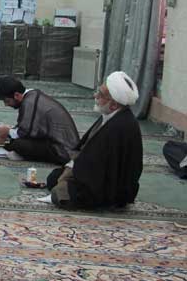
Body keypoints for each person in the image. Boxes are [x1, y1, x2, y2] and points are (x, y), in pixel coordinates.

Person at [47, 71, 143, 209]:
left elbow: (99, 168)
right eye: (98, 91)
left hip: (108, 189)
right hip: (96, 177)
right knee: (53, 178)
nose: (95, 96)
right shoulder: (111, 115)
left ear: (114, 105)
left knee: (59, 193)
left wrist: (71, 172)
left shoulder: (119, 127)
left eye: (101, 95)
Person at [0, 76, 79, 165]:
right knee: (15, 142)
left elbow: (25, 133)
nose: (6, 104)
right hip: (57, 144)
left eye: (7, 101)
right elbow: (25, 128)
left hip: (63, 151)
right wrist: (6, 136)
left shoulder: (30, 102)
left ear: (16, 95)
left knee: (18, 144)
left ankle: (21, 153)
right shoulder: (32, 98)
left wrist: (7, 133)